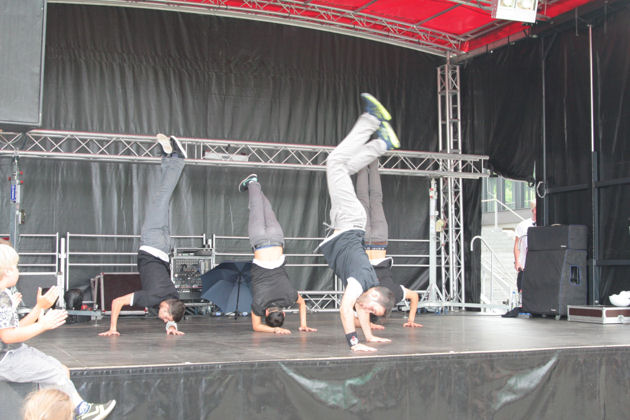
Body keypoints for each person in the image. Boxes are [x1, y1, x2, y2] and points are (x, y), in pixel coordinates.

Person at [318, 93, 398, 352]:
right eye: (373, 309)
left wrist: (370, 337)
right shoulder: (359, 281)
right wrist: (354, 343)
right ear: (374, 294)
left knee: (344, 167)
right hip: (349, 219)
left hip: (346, 222)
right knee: (335, 162)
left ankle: (382, 143)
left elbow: (360, 310)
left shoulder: (367, 286)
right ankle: (371, 120)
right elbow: (345, 309)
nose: (367, 312)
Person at [0, 243, 116, 420]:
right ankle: (82, 411)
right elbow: (7, 337)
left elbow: (16, 328)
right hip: (6, 359)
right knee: (54, 372)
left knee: (60, 369)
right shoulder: (2, 298)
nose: (18, 271)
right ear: (7, 271)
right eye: (16, 267)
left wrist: (40, 307)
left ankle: (55, 414)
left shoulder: (6, 295)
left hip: (14, 352)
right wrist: (42, 325)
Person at [100, 134, 187, 336]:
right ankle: (178, 159)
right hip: (152, 243)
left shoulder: (172, 296)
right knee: (161, 197)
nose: (164, 320)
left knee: (162, 201)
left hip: (164, 247)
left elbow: (171, 308)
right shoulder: (151, 298)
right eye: (166, 317)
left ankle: (168, 158)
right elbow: (116, 302)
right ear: (166, 307)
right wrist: (112, 328)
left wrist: (172, 326)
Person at [238, 174, 317, 335]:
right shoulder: (259, 304)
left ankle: (256, 187)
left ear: (284, 312)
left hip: (277, 239)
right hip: (259, 241)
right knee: (256, 208)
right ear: (266, 313)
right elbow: (256, 327)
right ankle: (252, 184)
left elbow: (302, 304)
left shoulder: (289, 297)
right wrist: (274, 330)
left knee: (267, 209)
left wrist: (303, 324)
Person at [355, 161, 422, 329]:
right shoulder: (366, 297)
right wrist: (410, 320)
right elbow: (414, 296)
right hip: (370, 240)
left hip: (377, 240)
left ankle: (372, 162)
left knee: (374, 200)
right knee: (365, 200)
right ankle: (366, 163)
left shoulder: (392, 295)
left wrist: (411, 319)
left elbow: (414, 297)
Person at [502, 199, 536, 318]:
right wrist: (517, 261)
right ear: (533, 210)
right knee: (522, 287)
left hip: (538, 265)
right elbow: (516, 245)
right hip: (525, 264)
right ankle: (523, 306)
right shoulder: (523, 225)